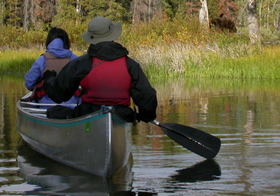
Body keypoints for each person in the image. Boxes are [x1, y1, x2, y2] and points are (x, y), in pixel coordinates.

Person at [42, 17, 157, 123]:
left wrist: (48, 79)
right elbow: (148, 96)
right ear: (112, 36)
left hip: (88, 114)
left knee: (53, 111)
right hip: (121, 116)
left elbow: (58, 94)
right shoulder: (131, 65)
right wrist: (146, 116)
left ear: (92, 38)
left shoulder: (80, 64)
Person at [25, 27, 80, 108]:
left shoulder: (42, 60)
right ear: (66, 42)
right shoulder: (76, 59)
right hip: (71, 105)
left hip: (45, 106)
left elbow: (29, 84)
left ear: (49, 41)